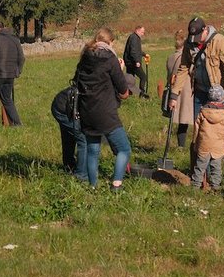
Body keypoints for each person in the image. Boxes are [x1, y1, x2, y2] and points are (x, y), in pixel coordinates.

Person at [169, 17, 224, 185]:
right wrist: (174, 95)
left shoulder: (219, 41)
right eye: (191, 37)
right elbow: (183, 68)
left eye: (197, 37)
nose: (194, 41)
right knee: (200, 135)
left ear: (205, 30)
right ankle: (202, 177)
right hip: (200, 94)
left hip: (219, 95)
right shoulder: (190, 43)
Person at [74, 27, 133, 191]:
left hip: (86, 109)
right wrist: (119, 69)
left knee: (93, 150)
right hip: (105, 112)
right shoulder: (109, 58)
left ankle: (93, 186)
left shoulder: (85, 56)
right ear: (110, 42)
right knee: (124, 148)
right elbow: (123, 91)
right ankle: (117, 184)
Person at [191, 85, 224, 190]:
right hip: (218, 147)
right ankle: (215, 187)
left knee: (200, 166)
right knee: (216, 168)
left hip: (204, 145)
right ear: (222, 97)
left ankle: (195, 185)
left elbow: (197, 128)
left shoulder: (202, 111)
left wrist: (195, 142)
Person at [50, 81, 85, 180]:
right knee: (83, 139)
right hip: (65, 106)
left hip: (64, 103)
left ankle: (69, 167)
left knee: (69, 136)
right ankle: (81, 175)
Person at [166, 29, 191, 147]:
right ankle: (182, 146)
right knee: (184, 121)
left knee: (177, 119)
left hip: (174, 91)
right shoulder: (185, 58)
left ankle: (178, 145)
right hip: (185, 91)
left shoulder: (171, 57)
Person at [122, 25, 150, 99]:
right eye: (142, 32)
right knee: (143, 77)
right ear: (137, 30)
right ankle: (142, 94)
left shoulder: (134, 37)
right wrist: (137, 61)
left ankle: (128, 93)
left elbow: (137, 50)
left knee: (130, 78)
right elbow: (133, 51)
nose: (143, 34)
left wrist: (144, 54)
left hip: (129, 62)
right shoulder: (134, 38)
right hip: (132, 62)